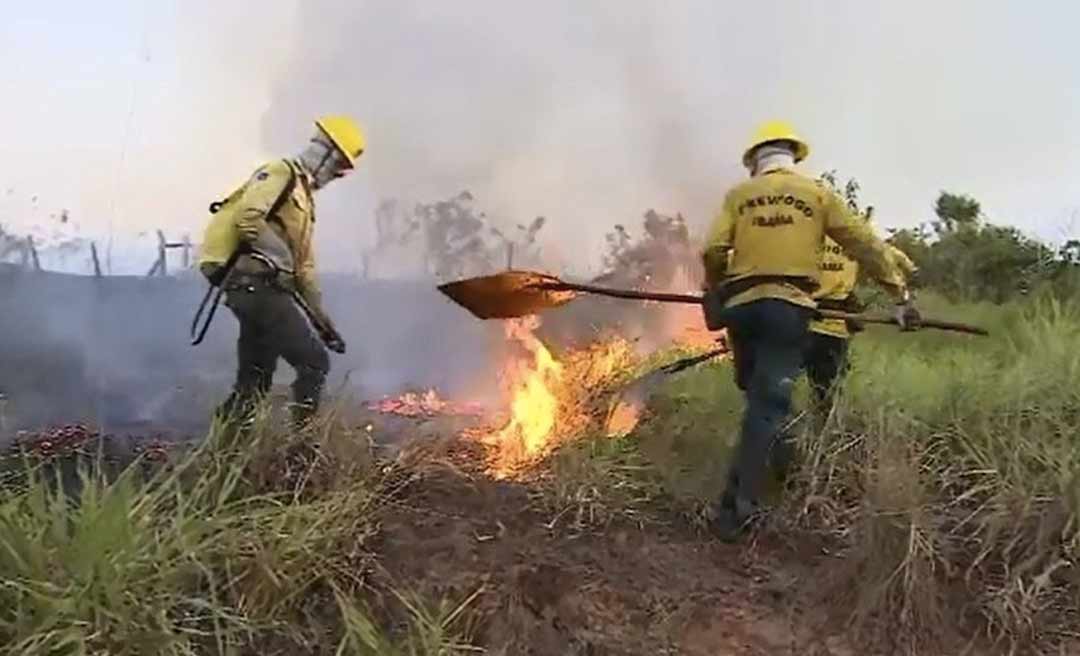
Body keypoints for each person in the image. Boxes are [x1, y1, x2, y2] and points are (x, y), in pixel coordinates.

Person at [700, 120, 920, 542]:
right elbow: (865, 245)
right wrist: (899, 295)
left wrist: (716, 286)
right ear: (793, 157)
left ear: (755, 163)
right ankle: (735, 513)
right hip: (788, 308)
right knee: (768, 406)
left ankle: (782, 468)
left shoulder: (738, 195)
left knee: (759, 398)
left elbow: (712, 249)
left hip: (742, 309)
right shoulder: (817, 195)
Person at [197, 115, 366, 429]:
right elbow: (248, 218)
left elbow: (304, 269)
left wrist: (324, 324)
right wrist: (280, 259)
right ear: (326, 151)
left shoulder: (304, 201)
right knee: (313, 363)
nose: (338, 175)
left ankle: (225, 448)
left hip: (257, 289)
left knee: (255, 379)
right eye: (339, 165)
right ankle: (301, 448)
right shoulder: (280, 172)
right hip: (252, 284)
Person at [804, 217, 919, 420]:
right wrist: (904, 292)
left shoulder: (803, 236)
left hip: (795, 318)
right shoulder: (856, 241)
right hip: (833, 327)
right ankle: (821, 436)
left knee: (778, 385)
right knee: (826, 391)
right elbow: (900, 264)